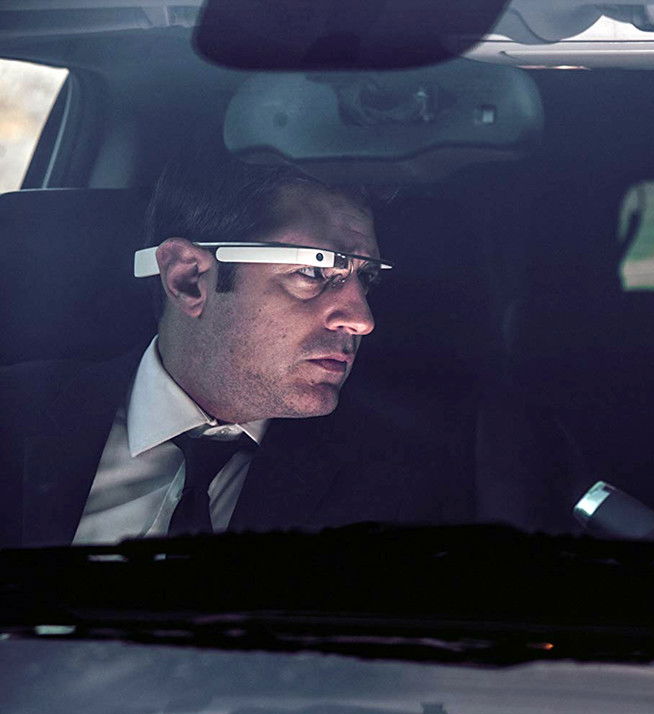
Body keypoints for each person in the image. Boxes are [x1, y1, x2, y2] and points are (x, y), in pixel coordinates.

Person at [0, 145, 507, 547]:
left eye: (366, 277)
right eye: (314, 271)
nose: (361, 319)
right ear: (189, 279)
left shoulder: (403, 477)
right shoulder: (15, 415)